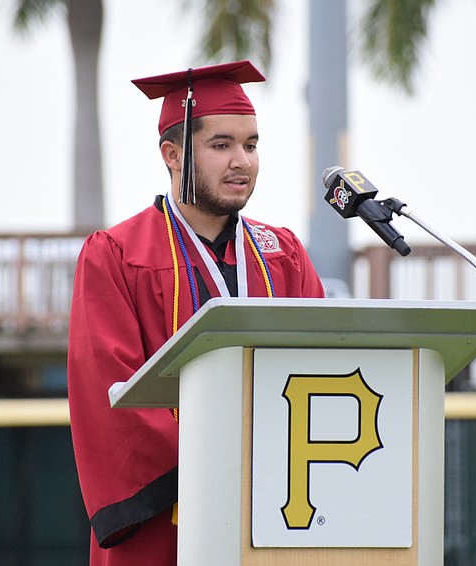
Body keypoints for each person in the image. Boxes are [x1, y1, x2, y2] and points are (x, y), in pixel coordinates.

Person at [67, 60, 325, 566]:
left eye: (251, 145)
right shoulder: (117, 255)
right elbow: (109, 394)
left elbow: (321, 371)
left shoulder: (282, 255)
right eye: (221, 145)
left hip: (277, 509)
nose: (242, 162)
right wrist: (228, 459)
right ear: (173, 154)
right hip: (165, 524)